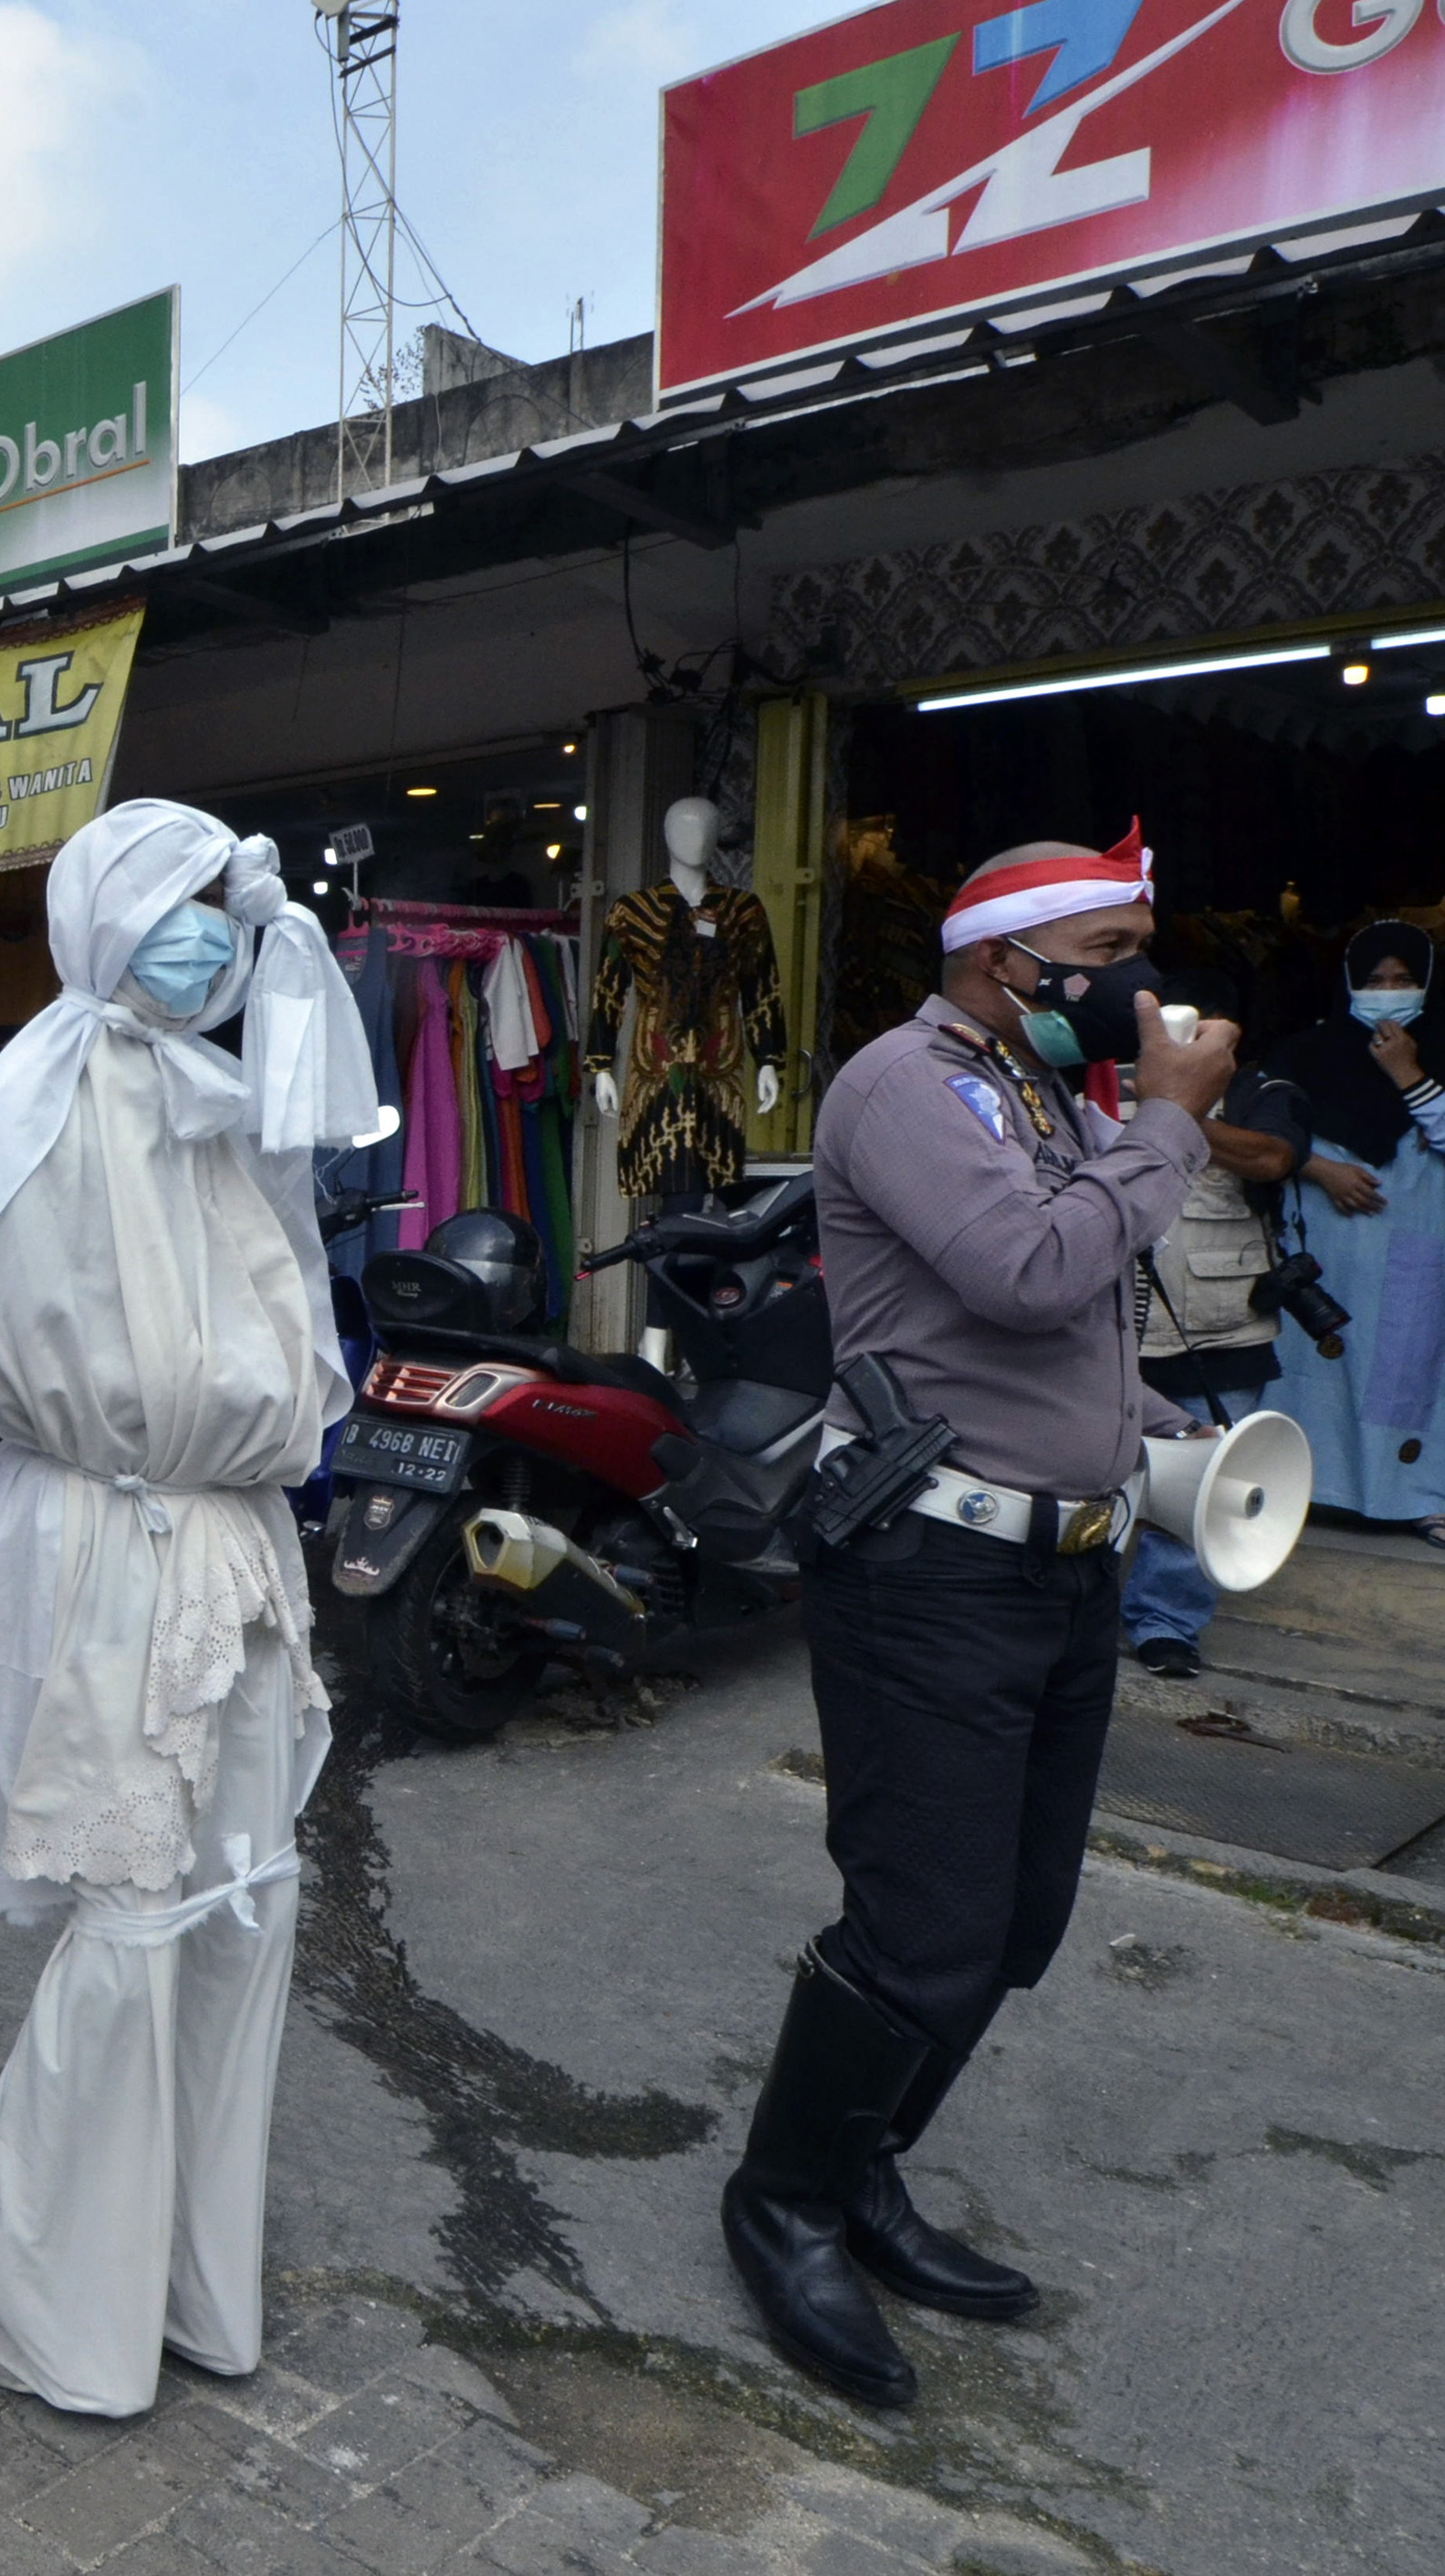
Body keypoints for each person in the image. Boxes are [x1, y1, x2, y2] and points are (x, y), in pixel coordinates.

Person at [724, 823, 1234, 2410]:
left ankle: (864, 2165)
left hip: (1062, 1572)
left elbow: (1066, 1328)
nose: (1135, 984)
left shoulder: (1040, 1092)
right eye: (1103, 958)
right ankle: (783, 2202)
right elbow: (1023, 1268)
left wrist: (1149, 1431)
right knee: (923, 1926)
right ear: (1003, 959)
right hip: (930, 1575)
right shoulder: (904, 1084)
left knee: (1015, 1924)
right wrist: (1170, 1124)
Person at [0, 801, 372, 2418]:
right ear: (99, 914)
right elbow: (13, 1335)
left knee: (238, 1901)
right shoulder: (39, 1092)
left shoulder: (218, 1094)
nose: (204, 934)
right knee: (130, 1912)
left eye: (217, 905)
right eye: (172, 901)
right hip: (109, 1535)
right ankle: (51, 2298)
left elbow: (274, 1315)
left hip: (230, 1538)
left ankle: (188, 2286)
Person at [1124, 970, 1307, 1678]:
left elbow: (1273, 1157)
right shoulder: (1104, 1083)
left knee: (1207, 1485)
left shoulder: (1264, 1092)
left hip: (1224, 1328)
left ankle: (1165, 1624)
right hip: (1111, 1323)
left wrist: (1173, 1111)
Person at [1265, 923, 1445, 1549]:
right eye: (1374, 981)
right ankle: (1303, 1489)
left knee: (1407, 1369)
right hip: (1328, 1244)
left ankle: (1412, 1497)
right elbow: (1255, 1132)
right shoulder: (1303, 1053)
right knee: (1315, 1360)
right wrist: (1318, 1167)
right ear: (1348, 984)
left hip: (1417, 1242)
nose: (1388, 993)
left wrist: (1408, 1074)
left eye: (1404, 980)